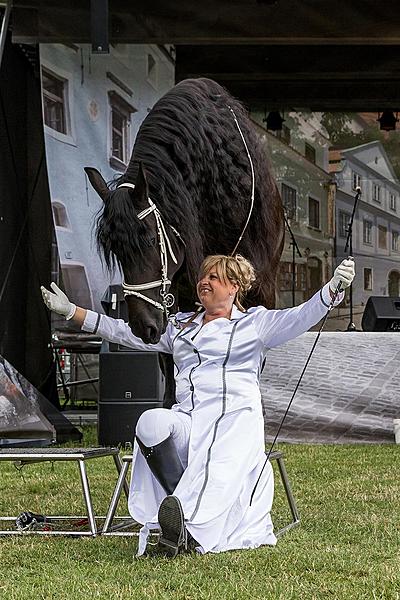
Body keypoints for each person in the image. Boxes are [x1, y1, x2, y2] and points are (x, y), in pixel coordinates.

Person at [41, 254, 355, 557]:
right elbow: (126, 333)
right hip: (190, 420)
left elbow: (300, 316)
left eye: (214, 277)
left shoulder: (255, 324)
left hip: (234, 420)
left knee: (219, 449)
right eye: (203, 276)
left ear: (233, 287)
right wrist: (72, 312)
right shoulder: (180, 326)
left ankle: (189, 532)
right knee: (150, 422)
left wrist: (332, 290)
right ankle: (175, 508)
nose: (204, 281)